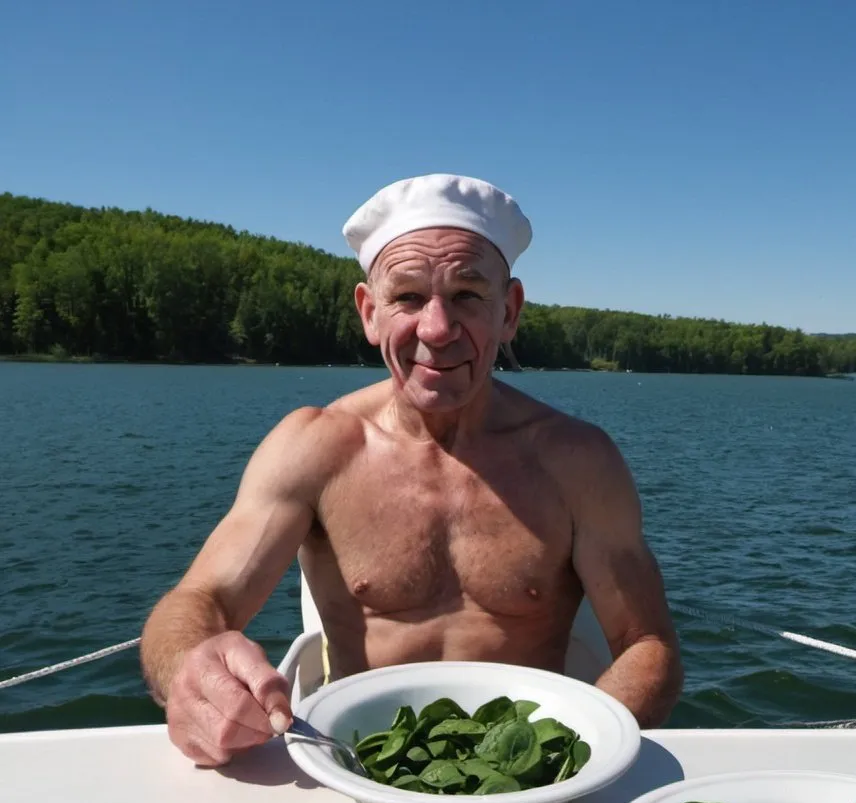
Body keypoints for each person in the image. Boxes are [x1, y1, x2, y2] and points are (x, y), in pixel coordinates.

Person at [140, 174, 683, 766]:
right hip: (354, 757)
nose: (437, 329)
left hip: (531, 768)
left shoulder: (578, 462)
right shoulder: (316, 449)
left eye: (469, 296)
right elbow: (199, 599)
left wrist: (572, 756)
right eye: (407, 297)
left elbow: (645, 643)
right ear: (370, 313)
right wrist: (191, 671)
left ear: (511, 312)